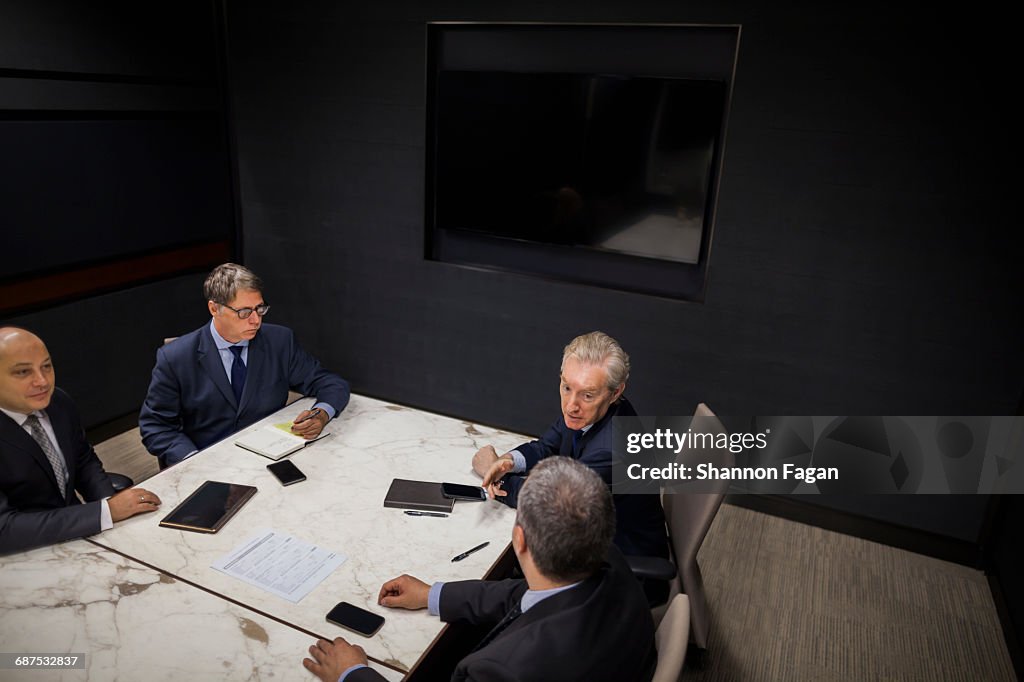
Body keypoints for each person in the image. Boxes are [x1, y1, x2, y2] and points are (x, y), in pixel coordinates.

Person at [302, 458, 657, 682]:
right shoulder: (611, 560)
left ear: (520, 540)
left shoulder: (502, 671)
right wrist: (434, 594)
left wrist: (353, 674)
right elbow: (526, 594)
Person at [473, 331, 667, 560]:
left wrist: (492, 473)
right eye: (566, 388)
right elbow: (546, 447)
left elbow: (547, 503)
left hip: (619, 566)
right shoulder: (588, 410)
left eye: (587, 395)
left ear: (615, 392)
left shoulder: (613, 450)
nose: (571, 406)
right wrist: (505, 462)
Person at [139, 263, 350, 467]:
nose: (255, 320)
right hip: (211, 463)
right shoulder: (176, 357)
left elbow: (329, 382)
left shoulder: (279, 340)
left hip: (271, 456)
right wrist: (193, 461)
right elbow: (156, 427)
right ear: (214, 308)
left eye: (259, 309)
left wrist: (322, 413)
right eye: (244, 312)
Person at [0, 327, 161, 555]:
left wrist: (110, 500)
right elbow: (4, 530)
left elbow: (83, 461)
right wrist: (105, 511)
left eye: (46, 366)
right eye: (23, 372)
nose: (42, 381)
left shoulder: (59, 403)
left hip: (79, 534)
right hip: (22, 555)